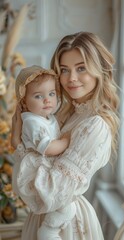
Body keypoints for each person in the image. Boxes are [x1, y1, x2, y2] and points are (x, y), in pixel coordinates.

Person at [11, 32, 120, 240]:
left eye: (81, 68)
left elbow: (53, 192)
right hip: (41, 217)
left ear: (98, 71)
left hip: (66, 225)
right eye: (64, 70)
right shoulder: (65, 114)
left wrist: (17, 145)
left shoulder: (95, 125)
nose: (71, 78)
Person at [13, 65, 76, 240]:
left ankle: (50, 227)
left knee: (66, 206)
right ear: (24, 102)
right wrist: (66, 141)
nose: (47, 100)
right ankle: (48, 230)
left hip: (44, 165)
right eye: (38, 96)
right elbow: (47, 148)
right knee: (65, 206)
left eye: (51, 94)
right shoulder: (33, 122)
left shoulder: (46, 117)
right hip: (35, 170)